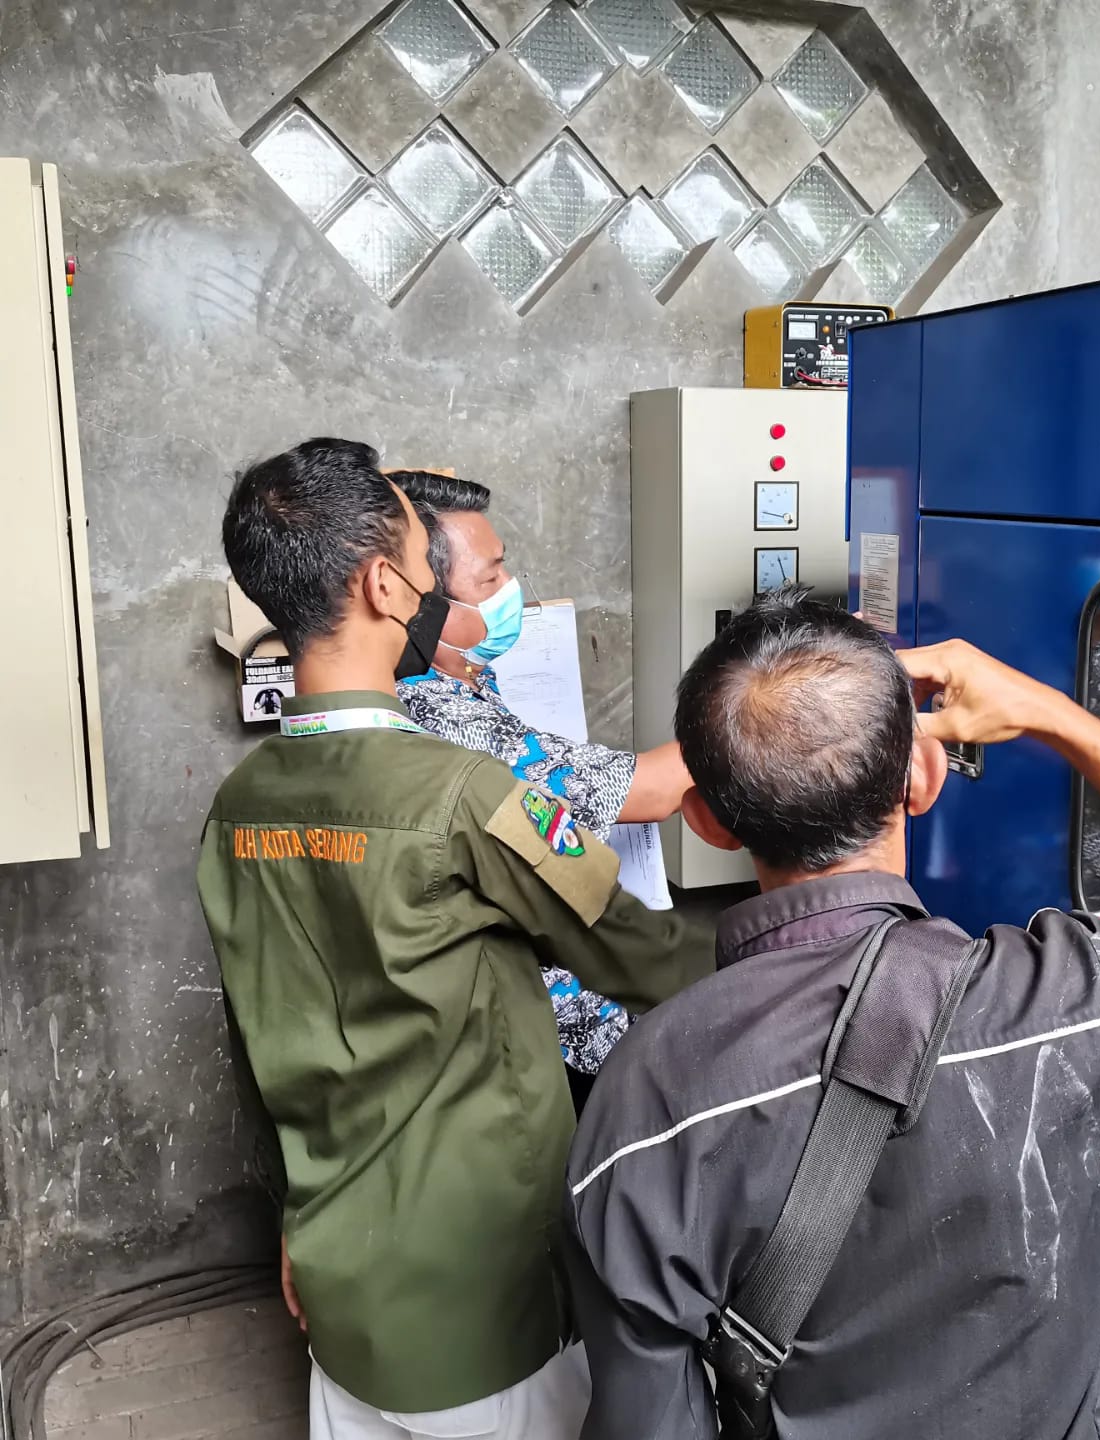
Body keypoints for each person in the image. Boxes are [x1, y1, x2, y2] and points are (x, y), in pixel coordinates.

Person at [564, 588, 1100, 1440]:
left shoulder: (644, 1097)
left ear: (703, 820)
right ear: (924, 779)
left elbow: (649, 1421)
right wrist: (1052, 715)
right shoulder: (1069, 1006)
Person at [196, 438, 710, 1440]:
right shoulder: (466, 797)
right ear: (385, 586)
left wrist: (301, 1224)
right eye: (429, 567)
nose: (443, 586)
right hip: (486, 1306)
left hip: (344, 1291)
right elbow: (642, 955)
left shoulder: (238, 805)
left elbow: (261, 1043)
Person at [385, 468, 694, 1110]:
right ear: (423, 605)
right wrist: (787, 700)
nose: (509, 593)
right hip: (545, 1046)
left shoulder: (463, 681)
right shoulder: (441, 718)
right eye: (489, 579)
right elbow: (655, 790)